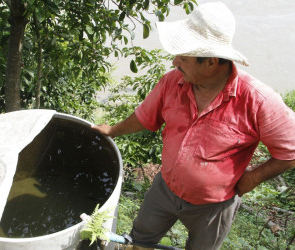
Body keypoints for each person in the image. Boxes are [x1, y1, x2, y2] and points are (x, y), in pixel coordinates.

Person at [92, 2, 295, 249]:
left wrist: (253, 178)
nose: (175, 61)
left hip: (214, 207)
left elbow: (290, 152)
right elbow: (144, 117)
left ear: (210, 62)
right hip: (165, 190)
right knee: (139, 240)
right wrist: (113, 130)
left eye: (184, 57)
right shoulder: (172, 82)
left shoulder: (259, 100)